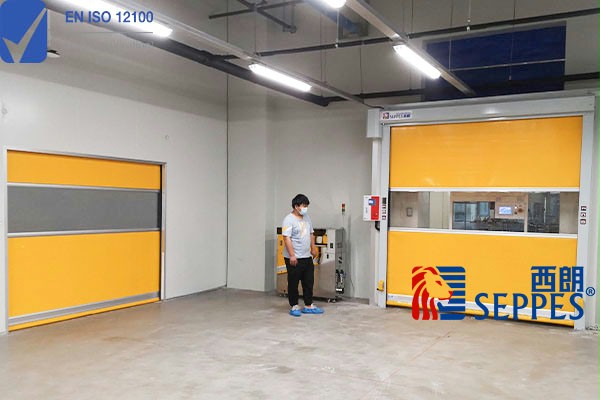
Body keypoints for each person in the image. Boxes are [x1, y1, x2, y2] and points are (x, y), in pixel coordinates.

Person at [281, 194, 324, 317]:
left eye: (306, 206)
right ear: (296, 206)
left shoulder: (306, 217)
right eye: (304, 206)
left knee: (308, 281)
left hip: (306, 256)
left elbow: (311, 233)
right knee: (293, 282)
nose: (305, 208)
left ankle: (308, 305)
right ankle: (294, 305)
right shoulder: (288, 219)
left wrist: (313, 248)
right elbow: (286, 238)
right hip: (294, 257)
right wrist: (292, 255)